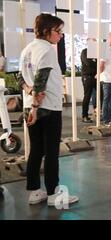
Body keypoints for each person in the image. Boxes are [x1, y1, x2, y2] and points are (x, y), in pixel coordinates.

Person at [18, 13, 78, 206]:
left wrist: (30, 95)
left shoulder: (27, 49)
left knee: (36, 150)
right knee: (51, 152)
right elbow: (41, 81)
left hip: (31, 106)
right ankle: (54, 194)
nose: (60, 36)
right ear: (46, 31)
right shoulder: (46, 51)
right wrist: (36, 104)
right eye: (58, 31)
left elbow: (21, 78)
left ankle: (35, 191)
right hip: (47, 108)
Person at [80, 46, 97, 123]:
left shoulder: (96, 52)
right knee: (87, 96)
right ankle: (84, 116)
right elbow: (88, 62)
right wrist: (96, 63)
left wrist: (95, 62)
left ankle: (97, 112)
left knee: (100, 94)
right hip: (87, 77)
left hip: (96, 76)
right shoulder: (85, 51)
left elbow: (99, 62)